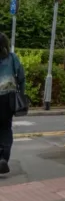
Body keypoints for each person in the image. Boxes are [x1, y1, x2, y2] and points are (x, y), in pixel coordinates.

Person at [0, 33, 24, 174]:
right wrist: (21, 93)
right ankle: (4, 158)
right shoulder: (12, 58)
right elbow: (21, 77)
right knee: (6, 128)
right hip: (8, 99)